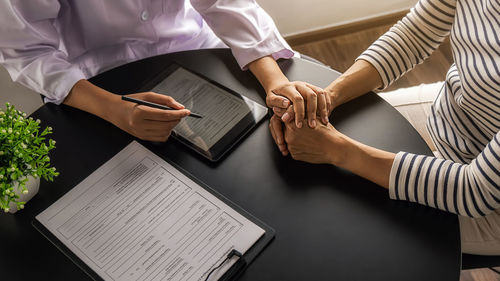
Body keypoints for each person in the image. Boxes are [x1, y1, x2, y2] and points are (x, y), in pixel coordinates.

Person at [269, 0, 500, 255]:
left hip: (487, 204)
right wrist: (326, 99)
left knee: (348, 218)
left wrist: (335, 148)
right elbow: (416, 33)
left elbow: (474, 191)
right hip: (457, 110)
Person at [0, 0, 329, 142]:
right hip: (97, 80)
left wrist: (273, 79)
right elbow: (29, 52)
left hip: (197, 47)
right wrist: (115, 109)